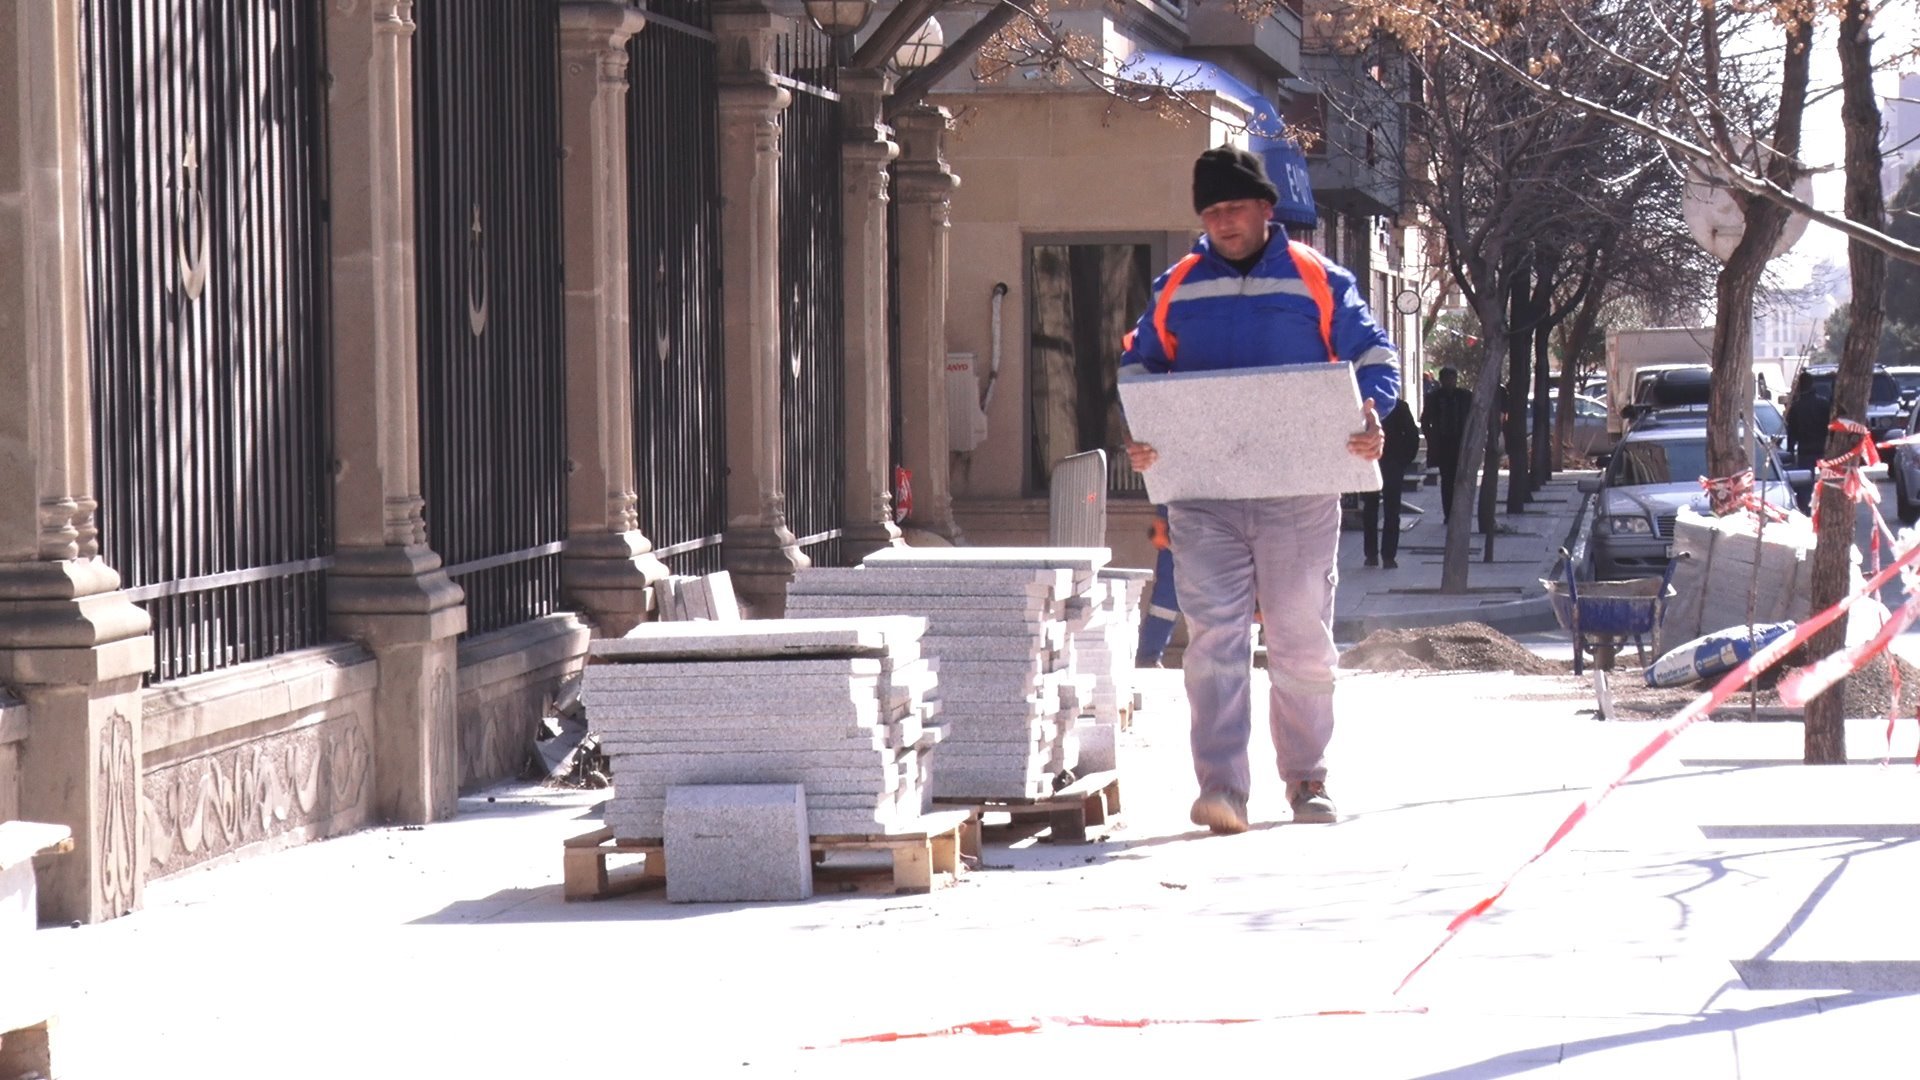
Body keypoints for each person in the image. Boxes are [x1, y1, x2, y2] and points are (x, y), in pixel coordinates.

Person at [1119, 145, 1398, 834]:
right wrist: (1141, 427)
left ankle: (1307, 779)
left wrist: (1371, 415)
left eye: (1233, 208)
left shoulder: (1319, 278)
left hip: (1299, 491)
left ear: (1266, 209)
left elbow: (1375, 357)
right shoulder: (1176, 286)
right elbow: (1138, 368)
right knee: (1213, 638)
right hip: (1203, 495)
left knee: (1301, 637)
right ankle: (1222, 790)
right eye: (1210, 212)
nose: (1222, 222)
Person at [1361, 398, 1420, 568]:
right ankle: (1371, 554)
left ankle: (1388, 555)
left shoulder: (1399, 406)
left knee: (1391, 511)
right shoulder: (1365, 407)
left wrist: (1403, 461)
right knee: (1371, 510)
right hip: (1371, 463)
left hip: (1392, 464)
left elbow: (1411, 436)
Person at [1420, 366, 1473, 522]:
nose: (1450, 382)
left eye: (1452, 379)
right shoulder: (1434, 398)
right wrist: (1431, 438)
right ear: (1441, 381)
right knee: (1447, 480)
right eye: (1446, 379)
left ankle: (1460, 513)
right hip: (1443, 444)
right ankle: (1448, 514)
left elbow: (1474, 417)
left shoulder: (1465, 396)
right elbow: (1425, 420)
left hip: (1461, 443)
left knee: (1461, 479)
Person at [1784, 370, 1830, 513]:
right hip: (1822, 448)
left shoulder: (1796, 407)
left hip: (1805, 449)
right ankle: (1827, 506)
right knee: (1827, 481)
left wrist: (1790, 451)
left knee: (1805, 483)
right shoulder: (1823, 404)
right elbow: (1830, 427)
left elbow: (1791, 432)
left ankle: (1806, 509)